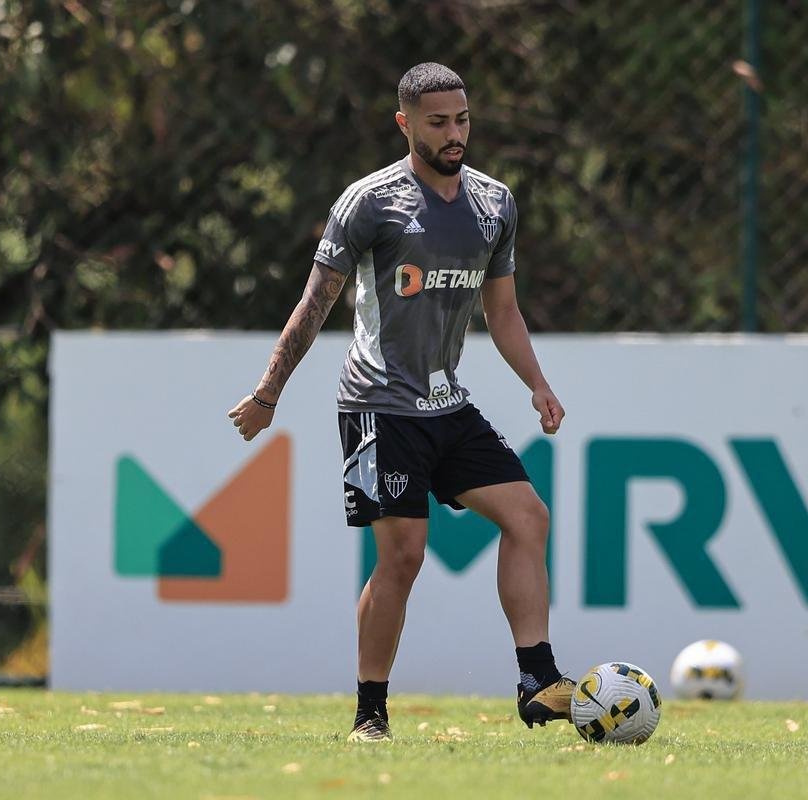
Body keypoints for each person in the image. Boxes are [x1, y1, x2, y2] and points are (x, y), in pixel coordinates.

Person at [227, 62, 574, 741]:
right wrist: (269, 392)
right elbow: (315, 302)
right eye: (437, 122)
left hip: (447, 404)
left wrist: (537, 382)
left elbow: (502, 310)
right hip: (376, 406)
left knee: (528, 517)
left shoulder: (494, 204)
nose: (454, 134)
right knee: (404, 555)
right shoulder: (369, 202)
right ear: (404, 123)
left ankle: (537, 681)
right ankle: (370, 713)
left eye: (462, 119)